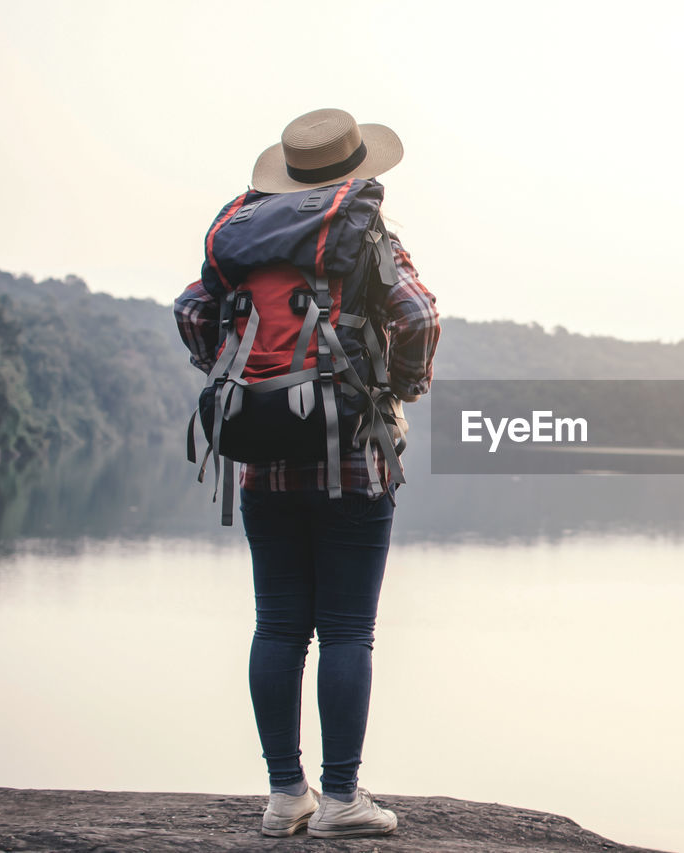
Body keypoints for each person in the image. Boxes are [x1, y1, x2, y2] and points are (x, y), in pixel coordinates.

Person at [173, 108, 440, 839]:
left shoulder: (245, 238)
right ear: (357, 173)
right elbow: (417, 318)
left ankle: (285, 794)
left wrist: (246, 378)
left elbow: (192, 310)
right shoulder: (364, 234)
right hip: (354, 456)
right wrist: (402, 386)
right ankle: (343, 797)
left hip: (263, 460)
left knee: (279, 625)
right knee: (348, 630)